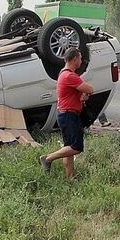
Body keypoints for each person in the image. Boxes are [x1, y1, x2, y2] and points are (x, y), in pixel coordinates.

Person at [40, 49, 94, 179]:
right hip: (69, 115)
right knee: (76, 147)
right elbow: (90, 89)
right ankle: (48, 158)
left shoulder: (64, 74)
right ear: (75, 59)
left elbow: (78, 93)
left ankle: (70, 178)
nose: (81, 61)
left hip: (65, 114)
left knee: (68, 148)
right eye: (80, 58)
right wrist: (86, 93)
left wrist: (82, 97)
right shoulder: (69, 76)